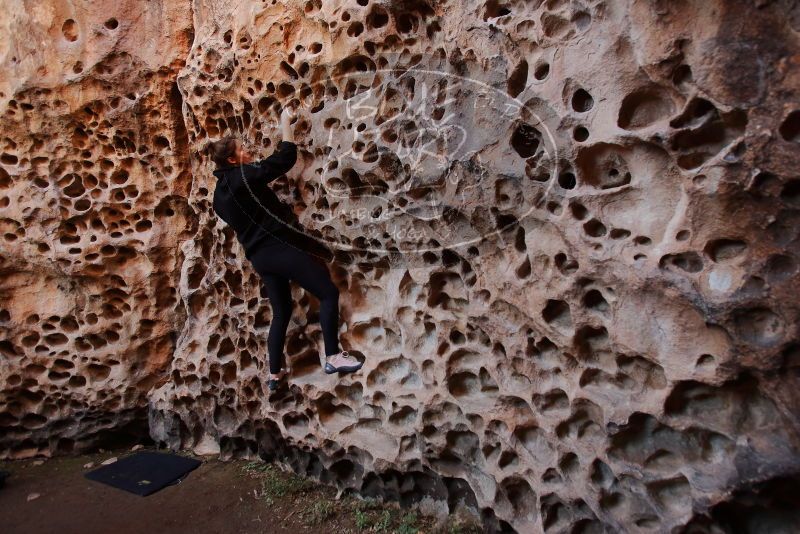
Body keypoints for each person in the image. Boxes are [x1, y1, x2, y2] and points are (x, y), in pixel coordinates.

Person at [207, 104, 364, 391]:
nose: (249, 152)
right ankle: (333, 356)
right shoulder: (241, 175)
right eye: (243, 151)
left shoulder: (219, 197)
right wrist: (285, 124)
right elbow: (282, 161)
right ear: (232, 159)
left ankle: (274, 375)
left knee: (282, 313)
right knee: (328, 292)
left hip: (260, 258)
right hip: (279, 249)